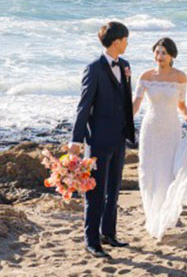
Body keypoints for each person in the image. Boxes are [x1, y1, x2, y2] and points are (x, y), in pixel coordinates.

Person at [132, 37, 187, 240]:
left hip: (171, 128)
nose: (160, 56)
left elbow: (181, 105)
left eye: (164, 52)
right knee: (148, 172)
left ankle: (165, 215)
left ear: (172, 55)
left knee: (168, 172)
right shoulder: (146, 76)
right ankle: (152, 215)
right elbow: (136, 104)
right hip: (150, 128)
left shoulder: (180, 77)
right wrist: (124, 122)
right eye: (157, 52)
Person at [69, 21, 136, 259]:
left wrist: (129, 131)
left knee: (114, 189)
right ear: (116, 42)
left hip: (119, 137)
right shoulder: (93, 68)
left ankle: (109, 233)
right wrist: (76, 140)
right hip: (97, 139)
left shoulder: (125, 65)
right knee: (95, 192)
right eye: (125, 39)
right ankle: (92, 241)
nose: (127, 43)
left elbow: (125, 101)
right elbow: (84, 106)